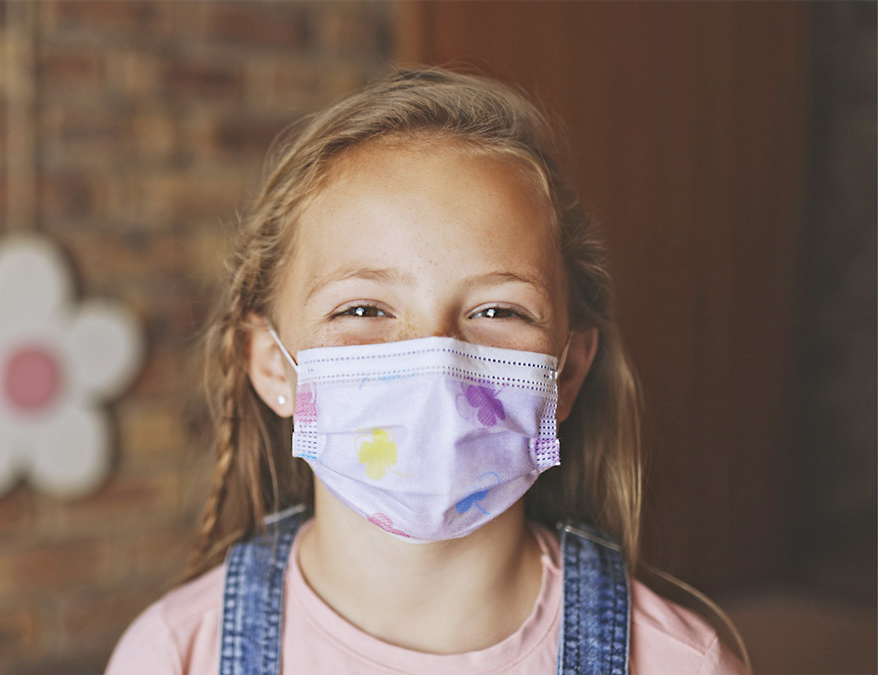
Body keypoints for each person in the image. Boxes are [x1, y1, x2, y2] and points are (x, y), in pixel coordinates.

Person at [107, 68, 747, 674]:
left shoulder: (680, 662)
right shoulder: (174, 655)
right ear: (275, 366)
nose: (437, 360)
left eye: (498, 310)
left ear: (567, 375)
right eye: (363, 308)